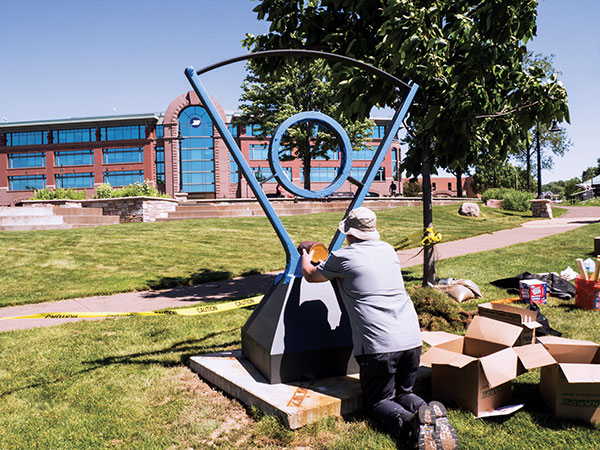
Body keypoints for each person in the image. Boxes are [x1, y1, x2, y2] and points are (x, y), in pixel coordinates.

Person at [301, 207, 458, 450]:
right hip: (411, 340)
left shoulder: (343, 257)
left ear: (349, 233)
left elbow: (311, 275)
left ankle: (411, 424)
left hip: (379, 347)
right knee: (404, 392)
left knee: (378, 401)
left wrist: (305, 253)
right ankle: (429, 413)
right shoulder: (388, 250)